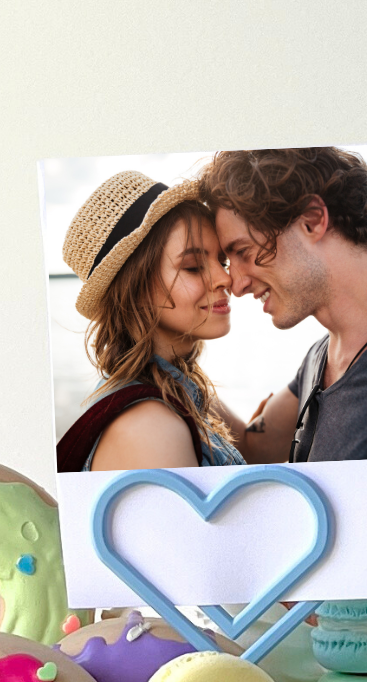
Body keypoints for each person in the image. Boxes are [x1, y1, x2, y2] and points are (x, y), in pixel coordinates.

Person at [201, 148, 367, 464]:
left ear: (312, 220)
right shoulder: (319, 359)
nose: (236, 285)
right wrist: (169, 363)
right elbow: (255, 448)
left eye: (243, 251)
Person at [55, 171, 248, 474]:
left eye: (221, 262)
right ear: (137, 290)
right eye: (194, 267)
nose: (225, 278)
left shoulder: (175, 390)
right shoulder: (152, 427)